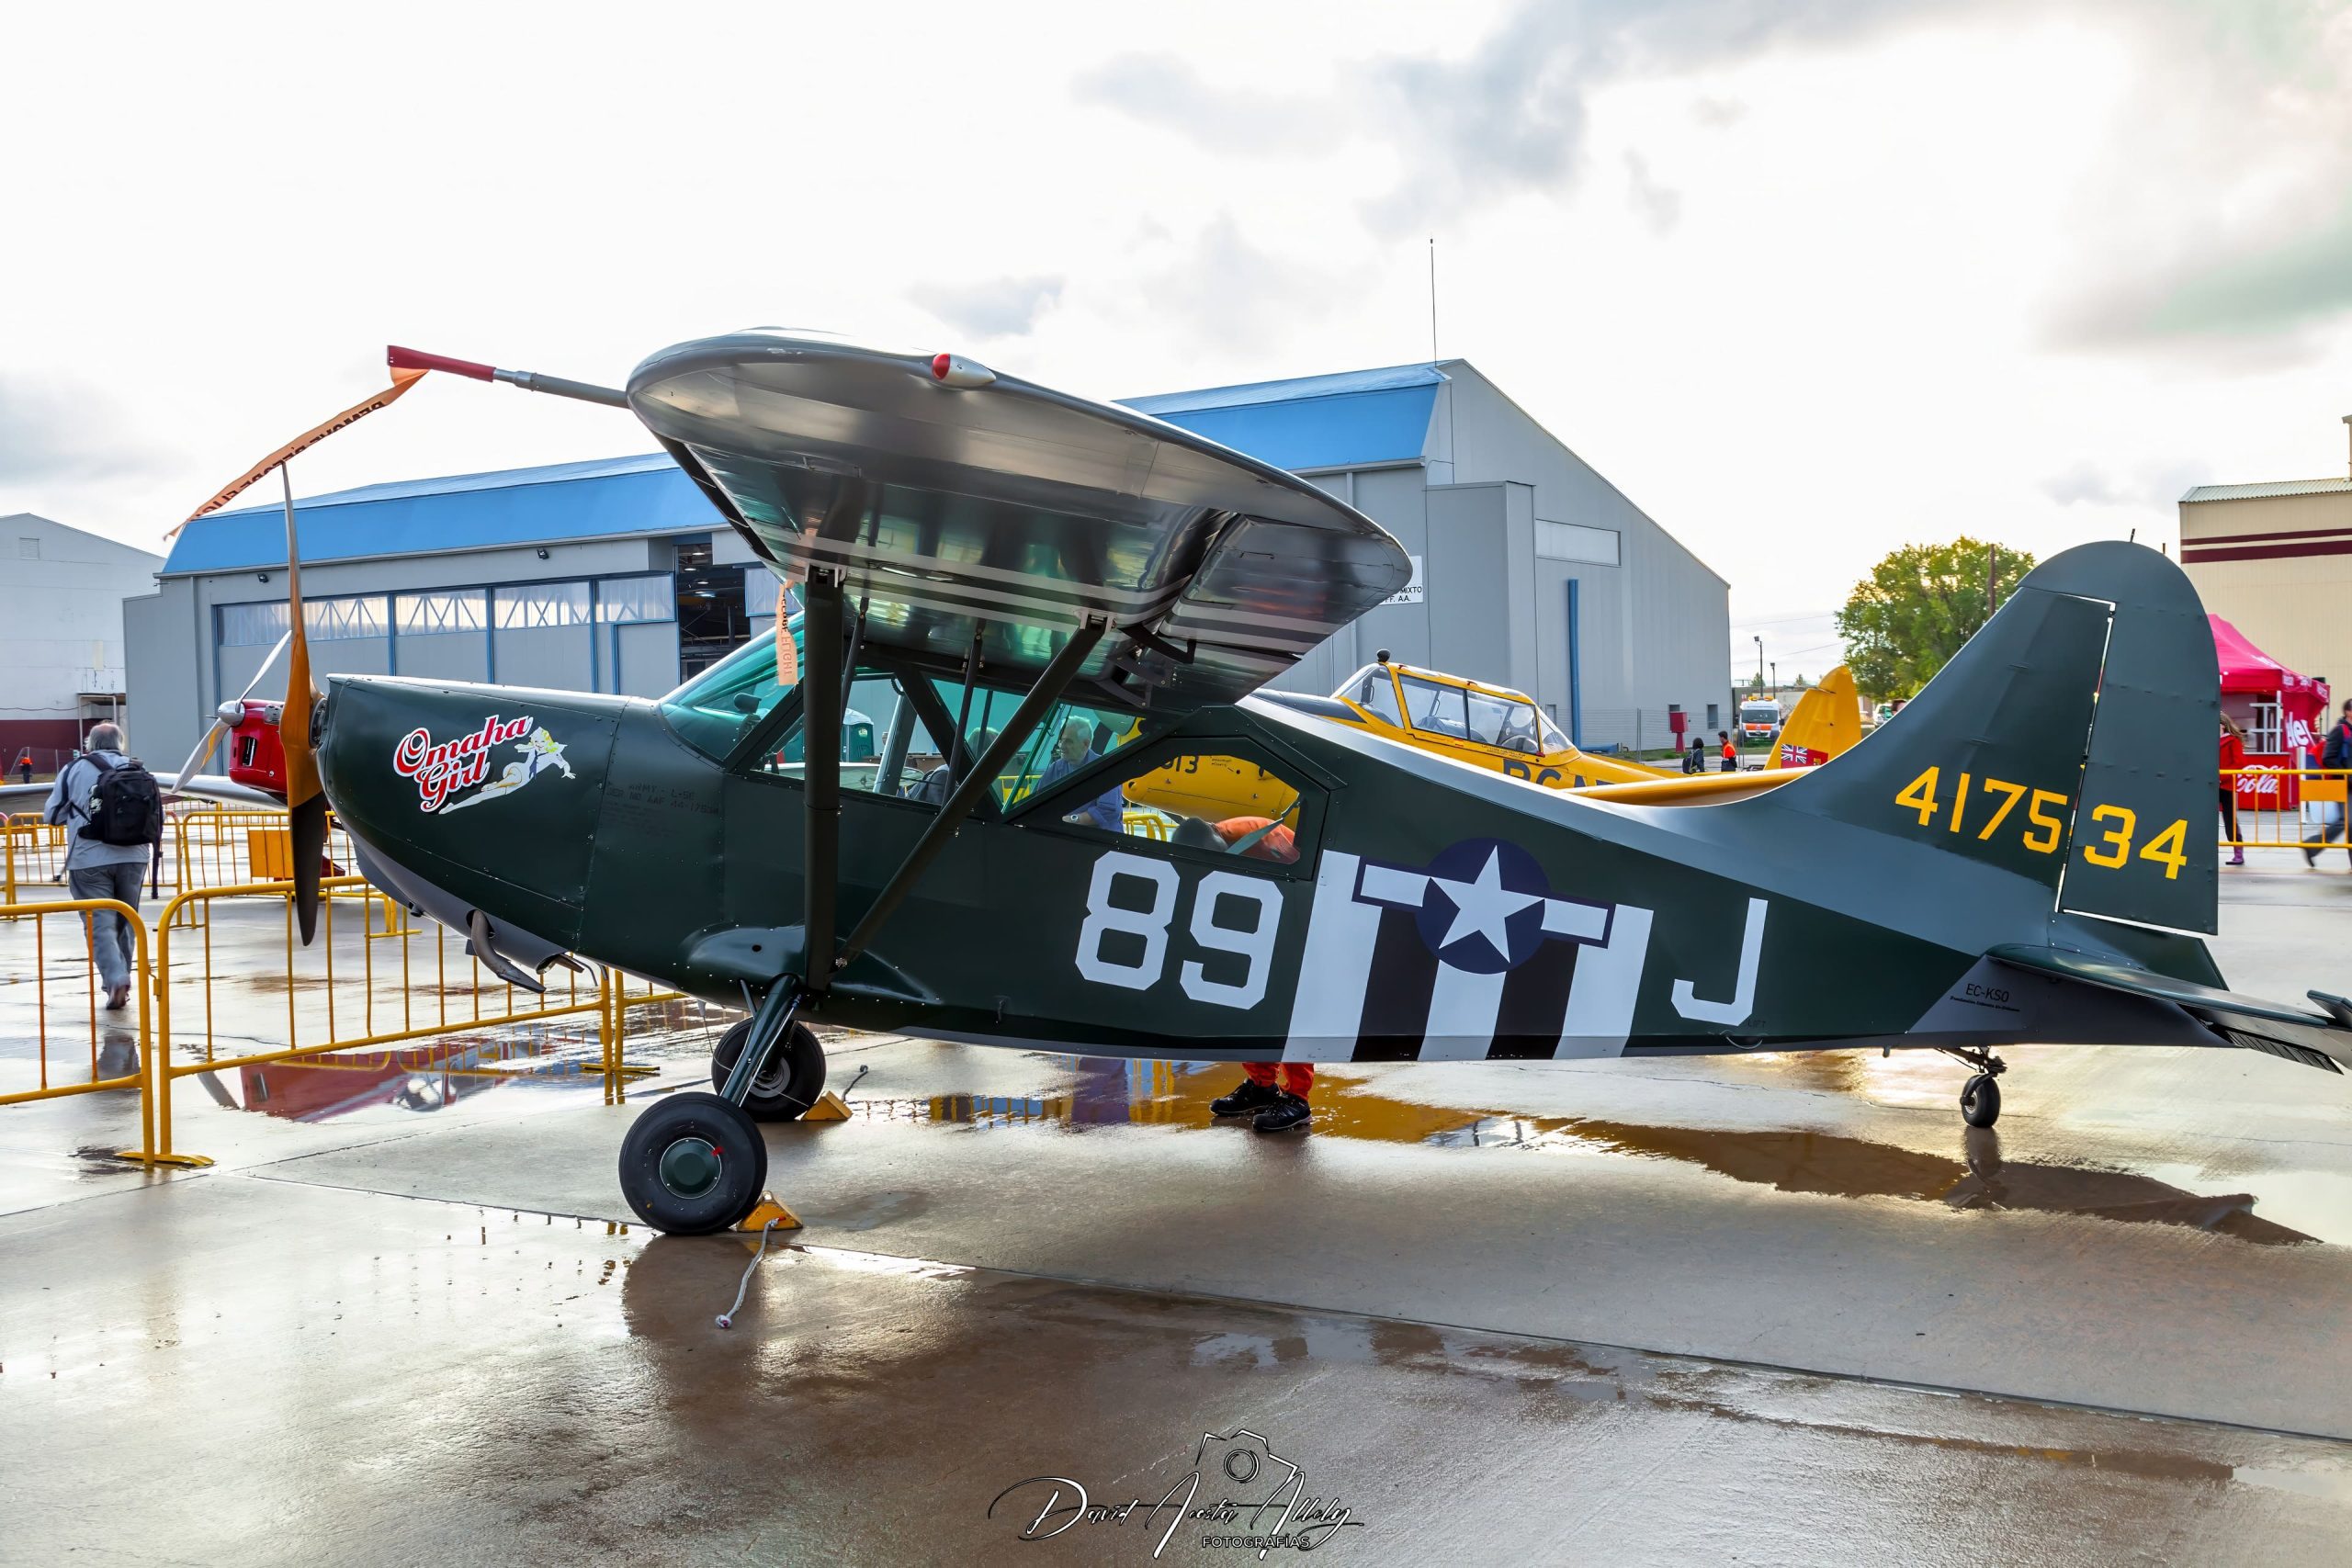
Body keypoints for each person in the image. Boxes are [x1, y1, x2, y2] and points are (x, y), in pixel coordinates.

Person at [41, 722, 156, 1010]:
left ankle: (115, 980)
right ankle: (123, 978)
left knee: (99, 924)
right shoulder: (136, 768)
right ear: (120, 743)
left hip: (88, 858)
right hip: (134, 856)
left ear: (89, 744)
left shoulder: (73, 769)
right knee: (126, 920)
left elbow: (52, 815)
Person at [1039, 716, 1123, 831]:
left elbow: (1108, 811)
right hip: (1065, 836)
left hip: (1099, 839)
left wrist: (1069, 820)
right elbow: (1038, 799)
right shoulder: (1055, 768)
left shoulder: (1106, 769)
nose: (1061, 746)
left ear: (1086, 744)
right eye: (1061, 740)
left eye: (1068, 741)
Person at [2305, 698, 2352, 867]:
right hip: (2344, 784)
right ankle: (2313, 845)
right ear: (2348, 711)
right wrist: (2346, 775)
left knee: (2348, 822)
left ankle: (2313, 846)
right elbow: (2328, 757)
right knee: (2347, 821)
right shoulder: (2340, 731)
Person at [2219, 715, 2246, 867]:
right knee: (2204, 819)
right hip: (2210, 785)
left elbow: (2240, 763)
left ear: (2222, 725)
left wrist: (2222, 776)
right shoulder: (2207, 740)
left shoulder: (2232, 741)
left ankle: (2238, 853)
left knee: (2230, 820)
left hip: (2226, 785)